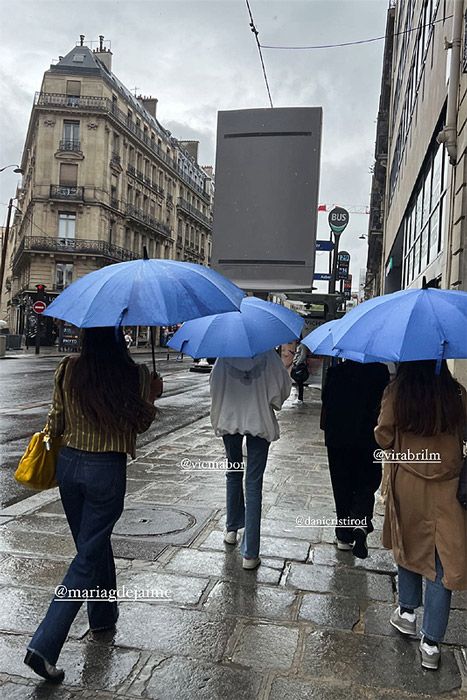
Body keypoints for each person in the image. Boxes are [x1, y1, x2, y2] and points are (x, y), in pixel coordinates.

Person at [24, 327, 162, 683]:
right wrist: (152, 397)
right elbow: (140, 424)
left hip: (69, 466)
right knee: (87, 555)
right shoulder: (135, 374)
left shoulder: (68, 368)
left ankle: (102, 615)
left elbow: (55, 421)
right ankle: (44, 645)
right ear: (119, 339)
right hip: (106, 469)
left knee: (90, 544)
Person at [375, 360, 467, 671]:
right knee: (442, 560)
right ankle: (431, 644)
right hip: (447, 486)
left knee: (407, 544)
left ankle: (407, 613)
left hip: (409, 483)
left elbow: (384, 435)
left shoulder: (398, 392)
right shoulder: (455, 393)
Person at [210, 349, 291, 569]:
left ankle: (231, 529)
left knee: (233, 472)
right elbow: (281, 391)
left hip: (229, 419)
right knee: (253, 483)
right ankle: (250, 554)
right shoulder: (269, 356)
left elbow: (214, 387)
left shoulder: (224, 355)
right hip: (259, 422)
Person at [321, 359, 389, 558]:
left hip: (338, 437)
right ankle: (360, 520)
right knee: (366, 483)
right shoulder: (380, 372)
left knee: (341, 484)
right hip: (369, 437)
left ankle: (344, 535)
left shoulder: (336, 372)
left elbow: (327, 400)